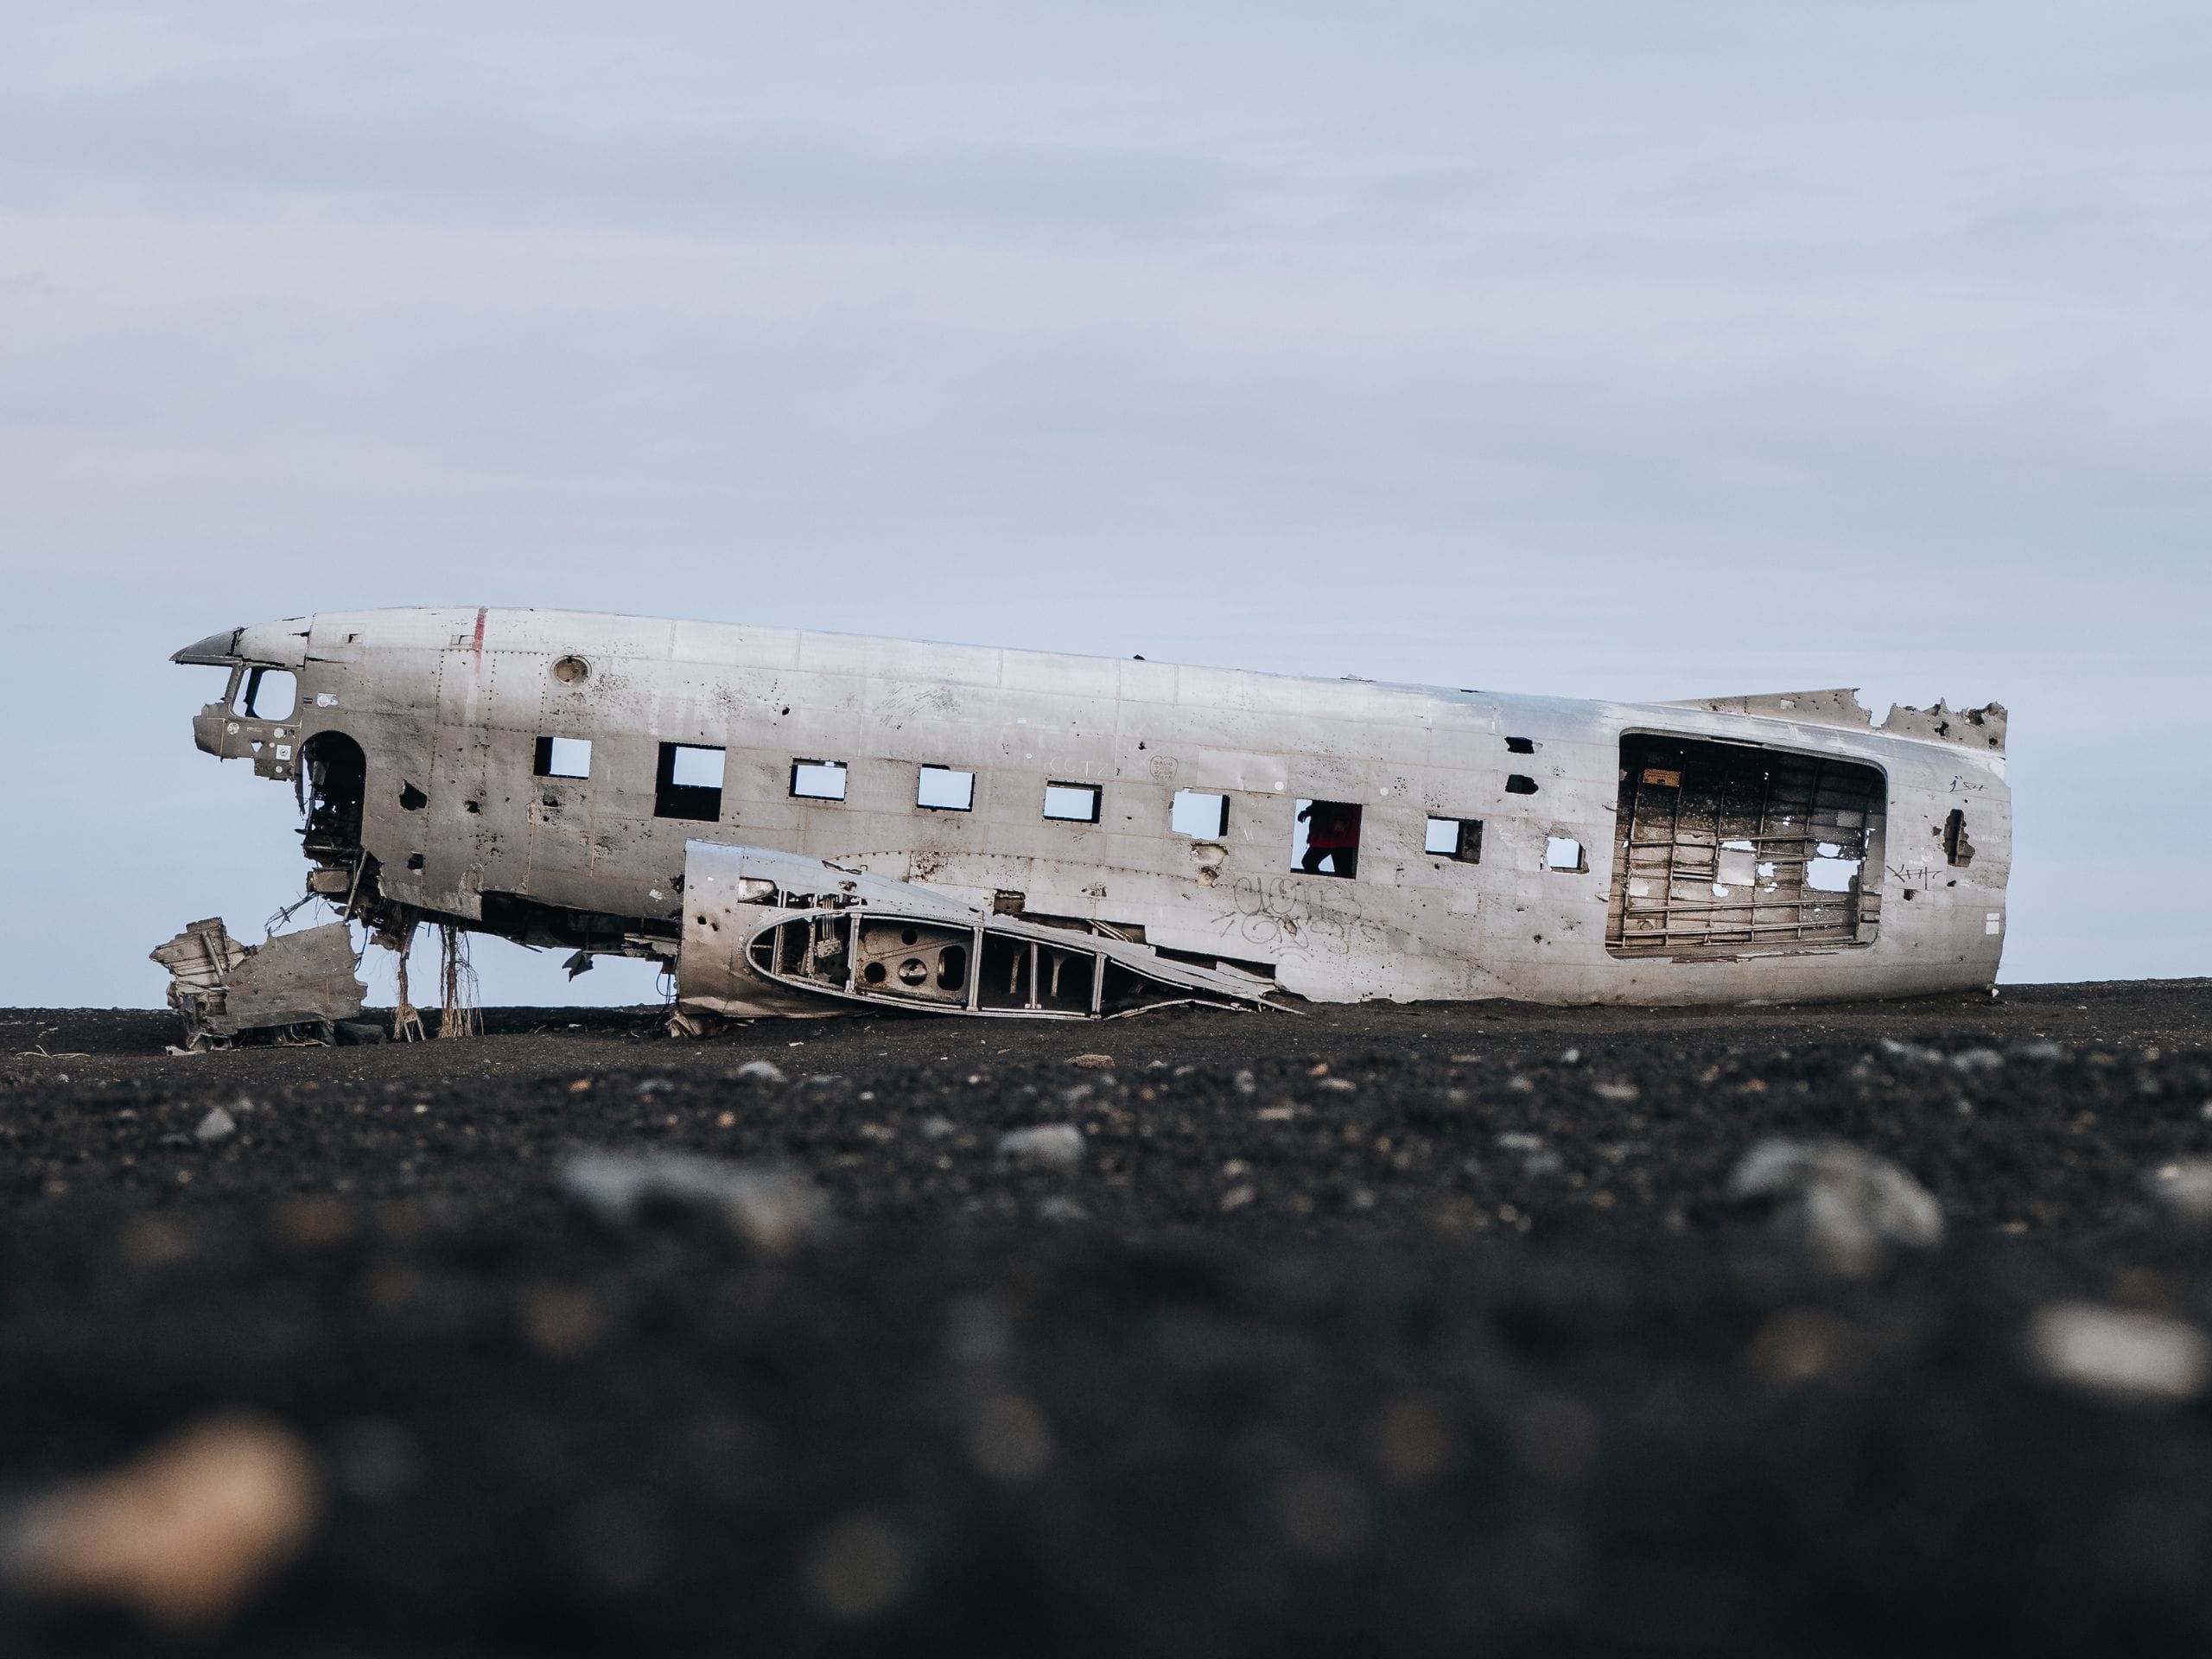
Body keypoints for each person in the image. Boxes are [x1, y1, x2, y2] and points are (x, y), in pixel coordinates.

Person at [1297, 799, 1361, 878]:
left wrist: (1341, 819)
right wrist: (1307, 812)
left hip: (1339, 837)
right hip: (1327, 837)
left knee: (1343, 873)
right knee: (1309, 863)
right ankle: (1320, 888)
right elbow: (1320, 805)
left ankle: (1320, 887)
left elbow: (1350, 802)